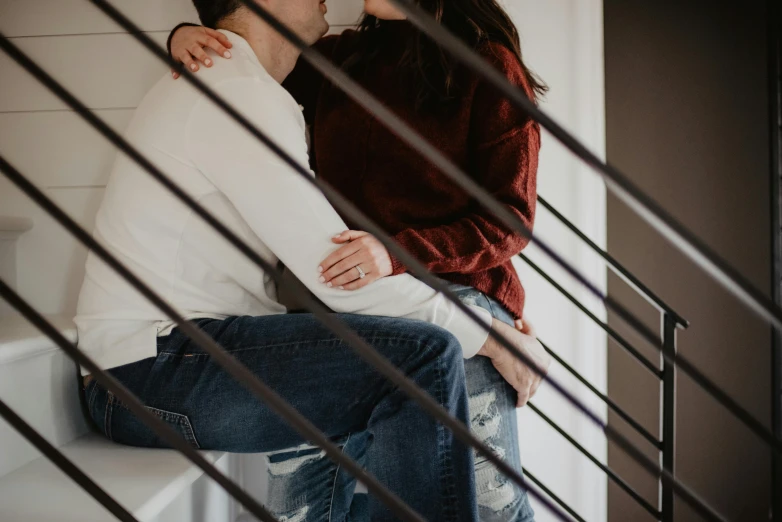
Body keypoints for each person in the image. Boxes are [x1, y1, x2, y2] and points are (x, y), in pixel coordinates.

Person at [75, 0, 548, 521]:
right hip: (178, 354)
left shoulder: (482, 66)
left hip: (437, 293)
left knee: (489, 504)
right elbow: (332, 269)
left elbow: (510, 217)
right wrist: (192, 33)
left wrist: (474, 318)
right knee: (422, 361)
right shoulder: (280, 77)